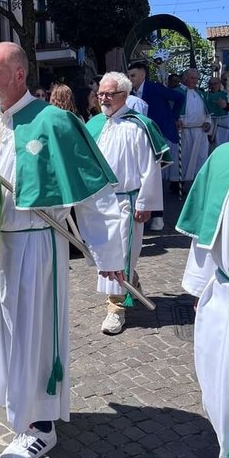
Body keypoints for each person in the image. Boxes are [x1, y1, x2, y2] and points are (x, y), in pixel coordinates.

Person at [0, 42, 124, 458]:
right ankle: (16, 396)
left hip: (33, 240)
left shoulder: (55, 122)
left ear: (19, 74)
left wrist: (109, 257)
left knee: (30, 336)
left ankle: (39, 425)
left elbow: (95, 195)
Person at [176, 70, 229, 458]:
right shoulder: (223, 160)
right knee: (224, 394)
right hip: (228, 297)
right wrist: (199, 291)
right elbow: (205, 234)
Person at [86, 73, 167, 335]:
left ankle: (116, 308)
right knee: (103, 255)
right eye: (100, 94)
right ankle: (132, 283)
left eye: (109, 94)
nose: (103, 99)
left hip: (127, 202)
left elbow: (150, 168)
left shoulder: (139, 126)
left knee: (120, 256)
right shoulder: (94, 124)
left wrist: (145, 202)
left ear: (125, 95)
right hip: (100, 202)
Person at [128, 60, 185, 230]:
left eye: (133, 75)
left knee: (154, 175)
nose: (130, 79)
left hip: (158, 135)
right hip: (139, 138)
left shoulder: (155, 88)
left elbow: (179, 97)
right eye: (129, 76)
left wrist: (172, 117)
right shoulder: (129, 92)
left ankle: (158, 215)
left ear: (142, 75)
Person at [170, 68, 211, 193]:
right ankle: (177, 184)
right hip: (184, 131)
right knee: (183, 158)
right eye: (192, 78)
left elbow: (207, 112)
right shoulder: (176, 92)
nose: (195, 81)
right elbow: (169, 110)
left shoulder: (200, 93)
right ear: (185, 79)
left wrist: (208, 122)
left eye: (196, 79)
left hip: (200, 132)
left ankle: (198, 185)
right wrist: (175, 120)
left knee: (200, 158)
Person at [206, 76, 229, 146]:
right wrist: (210, 133)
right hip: (221, 130)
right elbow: (212, 116)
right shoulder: (217, 95)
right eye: (224, 80)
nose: (226, 81)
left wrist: (226, 106)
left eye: (227, 79)